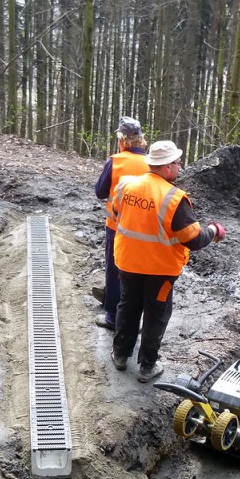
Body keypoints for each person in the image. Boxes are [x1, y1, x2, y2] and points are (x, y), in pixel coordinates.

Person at [110, 140, 226, 382]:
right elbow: (193, 239)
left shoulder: (125, 186)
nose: (180, 167)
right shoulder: (174, 198)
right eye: (177, 163)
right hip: (159, 270)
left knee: (128, 305)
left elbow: (115, 217)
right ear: (165, 167)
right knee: (156, 314)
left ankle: (120, 355)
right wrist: (214, 230)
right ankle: (147, 366)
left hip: (128, 262)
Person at [93, 116, 148, 330]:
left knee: (115, 270)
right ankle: (136, 318)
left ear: (123, 140)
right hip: (144, 230)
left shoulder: (115, 161)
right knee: (140, 273)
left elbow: (100, 191)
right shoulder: (152, 163)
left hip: (117, 228)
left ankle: (113, 318)